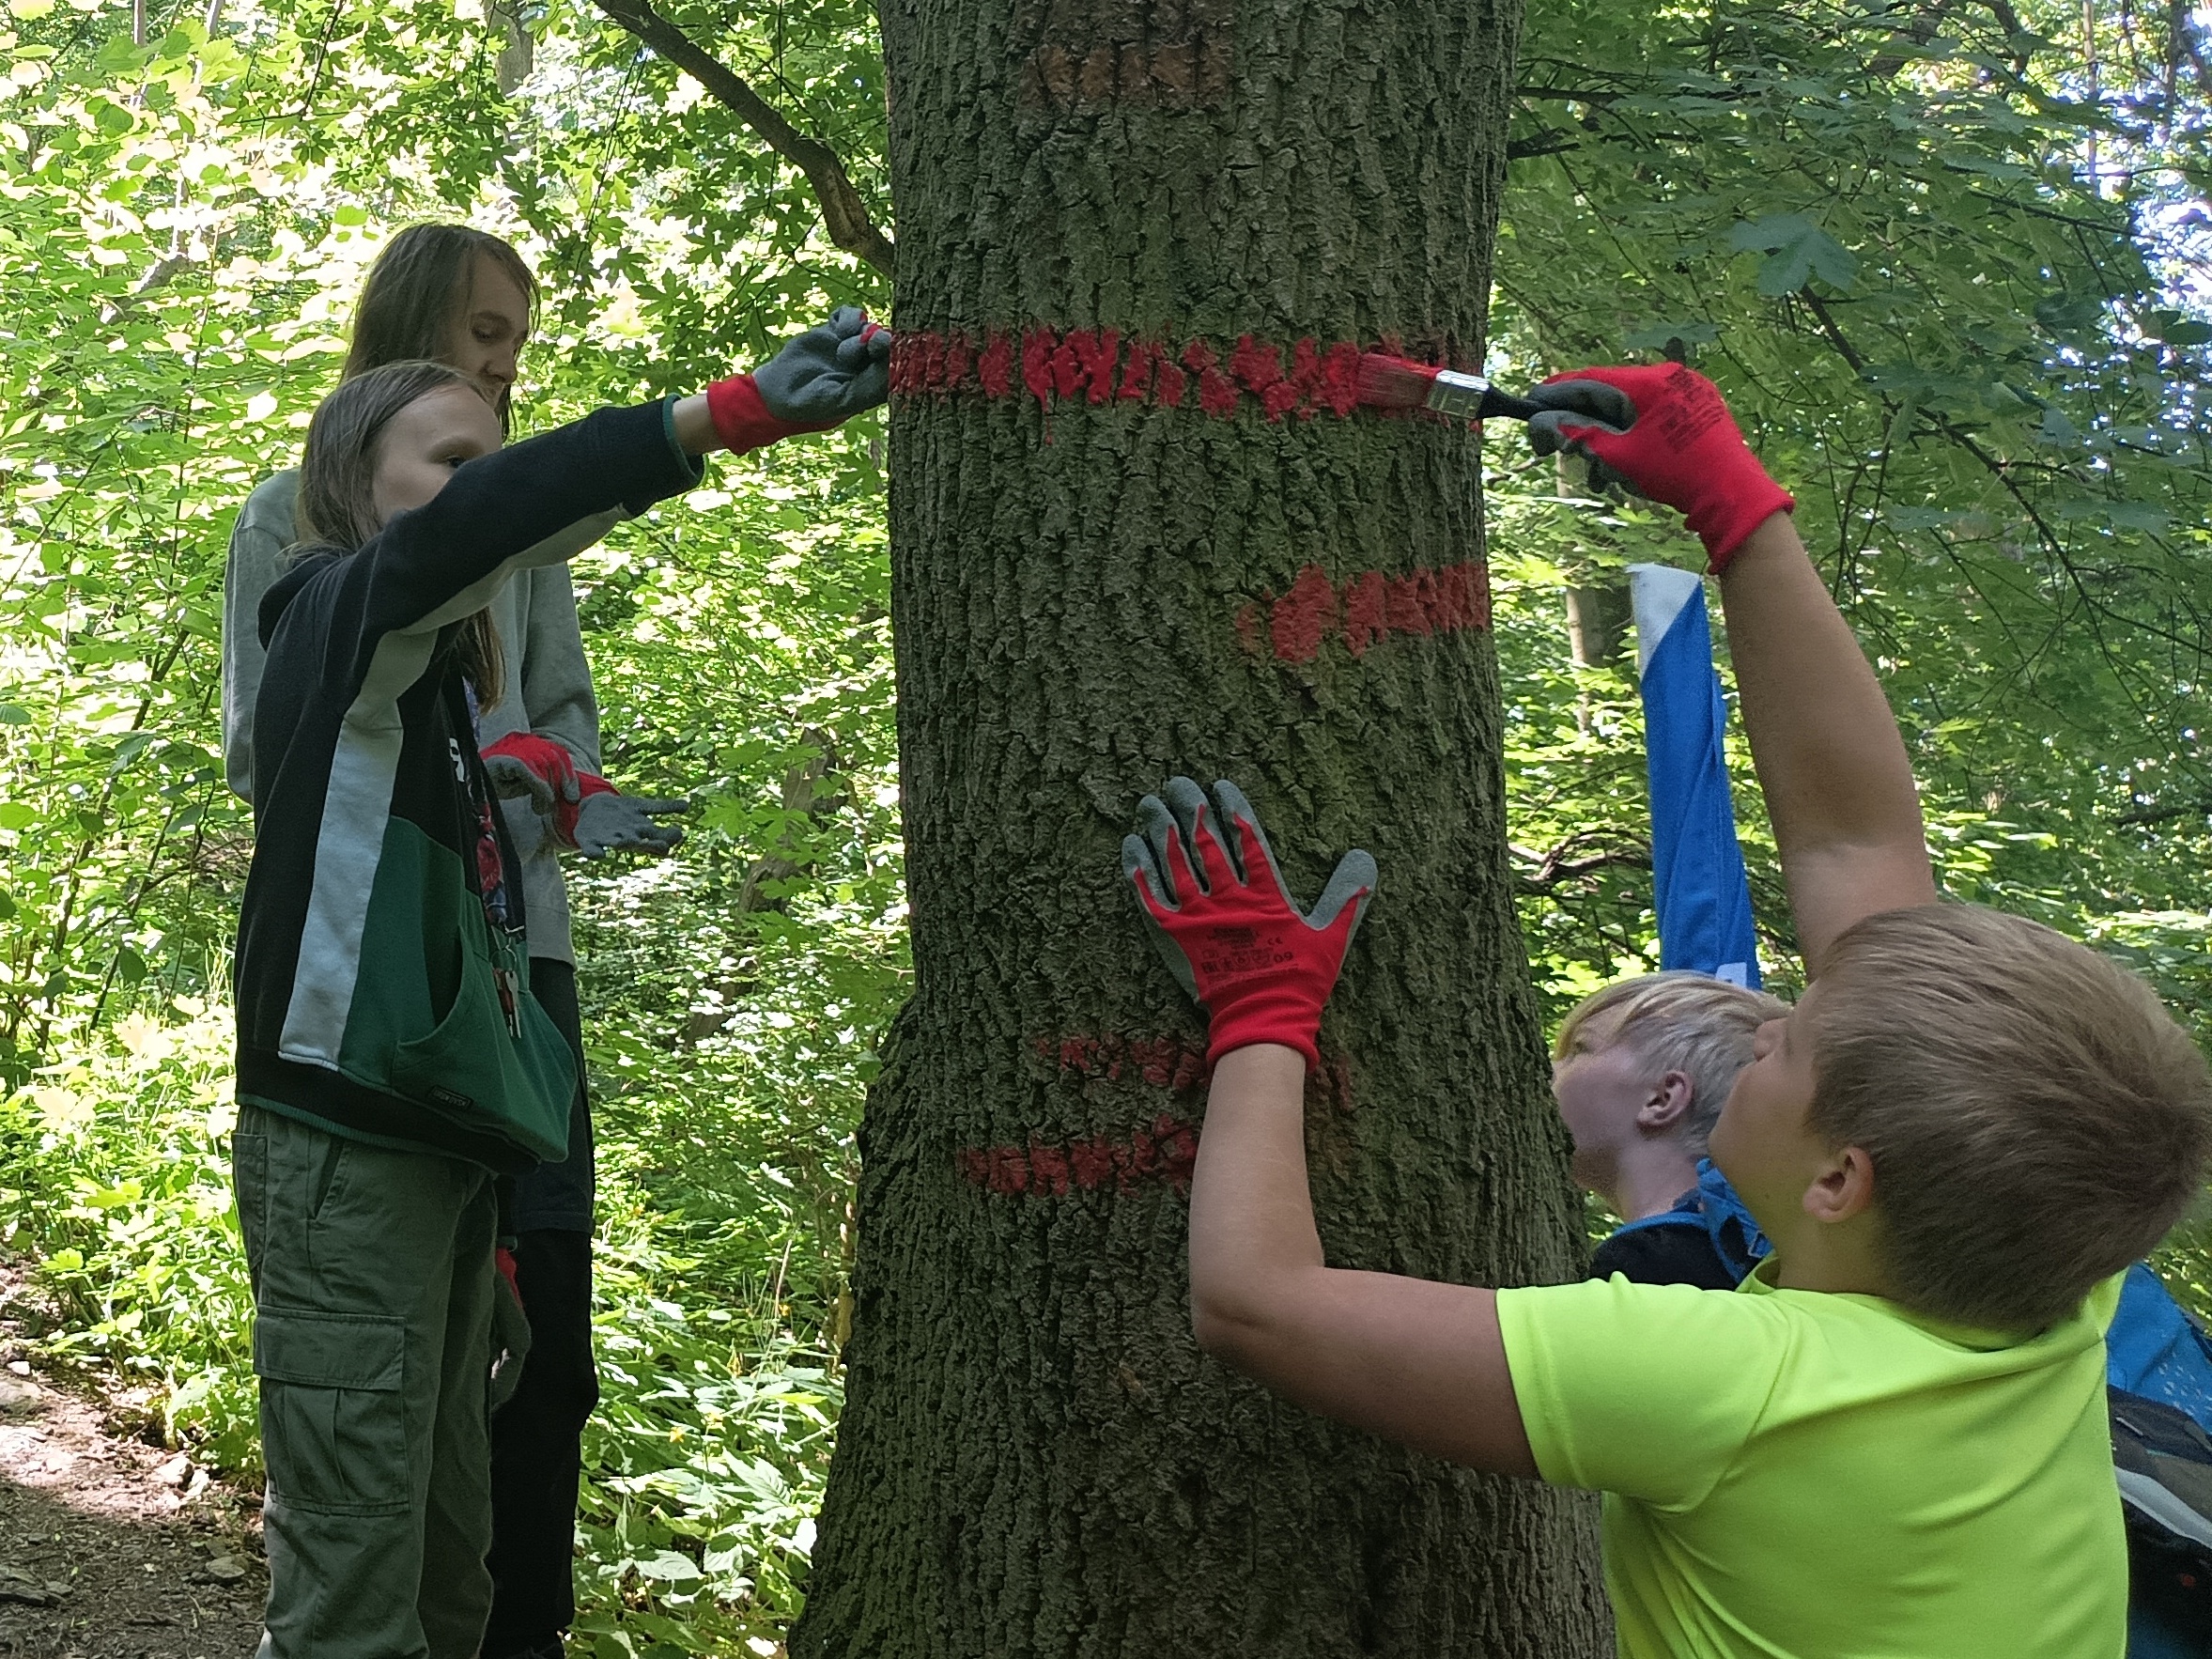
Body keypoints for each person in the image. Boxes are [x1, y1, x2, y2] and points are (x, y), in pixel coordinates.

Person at [1120, 364, 2212, 1657]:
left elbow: (1254, 1302)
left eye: (1782, 1045)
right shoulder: (2045, 1277)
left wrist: (1260, 1011)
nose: (1756, 1026)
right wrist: (1734, 512)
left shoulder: (1725, 1382)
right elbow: (1853, 843)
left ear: (1837, 1179)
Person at [230, 329, 886, 1655]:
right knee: (353, 1601)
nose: (483, 482)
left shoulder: (427, 709)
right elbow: (466, 536)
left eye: (492, 453)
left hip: (442, 1160)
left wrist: (538, 775)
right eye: (451, 458)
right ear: (354, 488)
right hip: (345, 1154)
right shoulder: (326, 610)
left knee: (447, 1574)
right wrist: (721, 416)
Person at [1552, 972, 1783, 1289]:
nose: (1548, 1068)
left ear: (1662, 1098)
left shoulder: (1645, 1267)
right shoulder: (1754, 1261)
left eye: (1579, 1048)